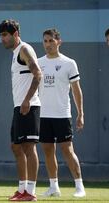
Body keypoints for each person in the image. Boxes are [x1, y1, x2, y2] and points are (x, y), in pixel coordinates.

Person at [38, 28, 85, 198]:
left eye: (51, 40)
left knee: (67, 150)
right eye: (45, 41)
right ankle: (53, 187)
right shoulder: (38, 63)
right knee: (48, 151)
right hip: (43, 116)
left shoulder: (69, 63)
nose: (48, 44)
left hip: (62, 115)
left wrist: (81, 113)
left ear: (59, 42)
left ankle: (79, 186)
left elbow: (76, 90)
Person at [0, 19, 42, 201]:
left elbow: (38, 74)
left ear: (15, 34)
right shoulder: (15, 52)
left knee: (29, 148)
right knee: (16, 147)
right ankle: (22, 189)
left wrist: (27, 100)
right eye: (1, 36)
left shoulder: (24, 49)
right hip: (19, 106)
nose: (2, 39)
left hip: (28, 106)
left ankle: (30, 192)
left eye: (5, 35)